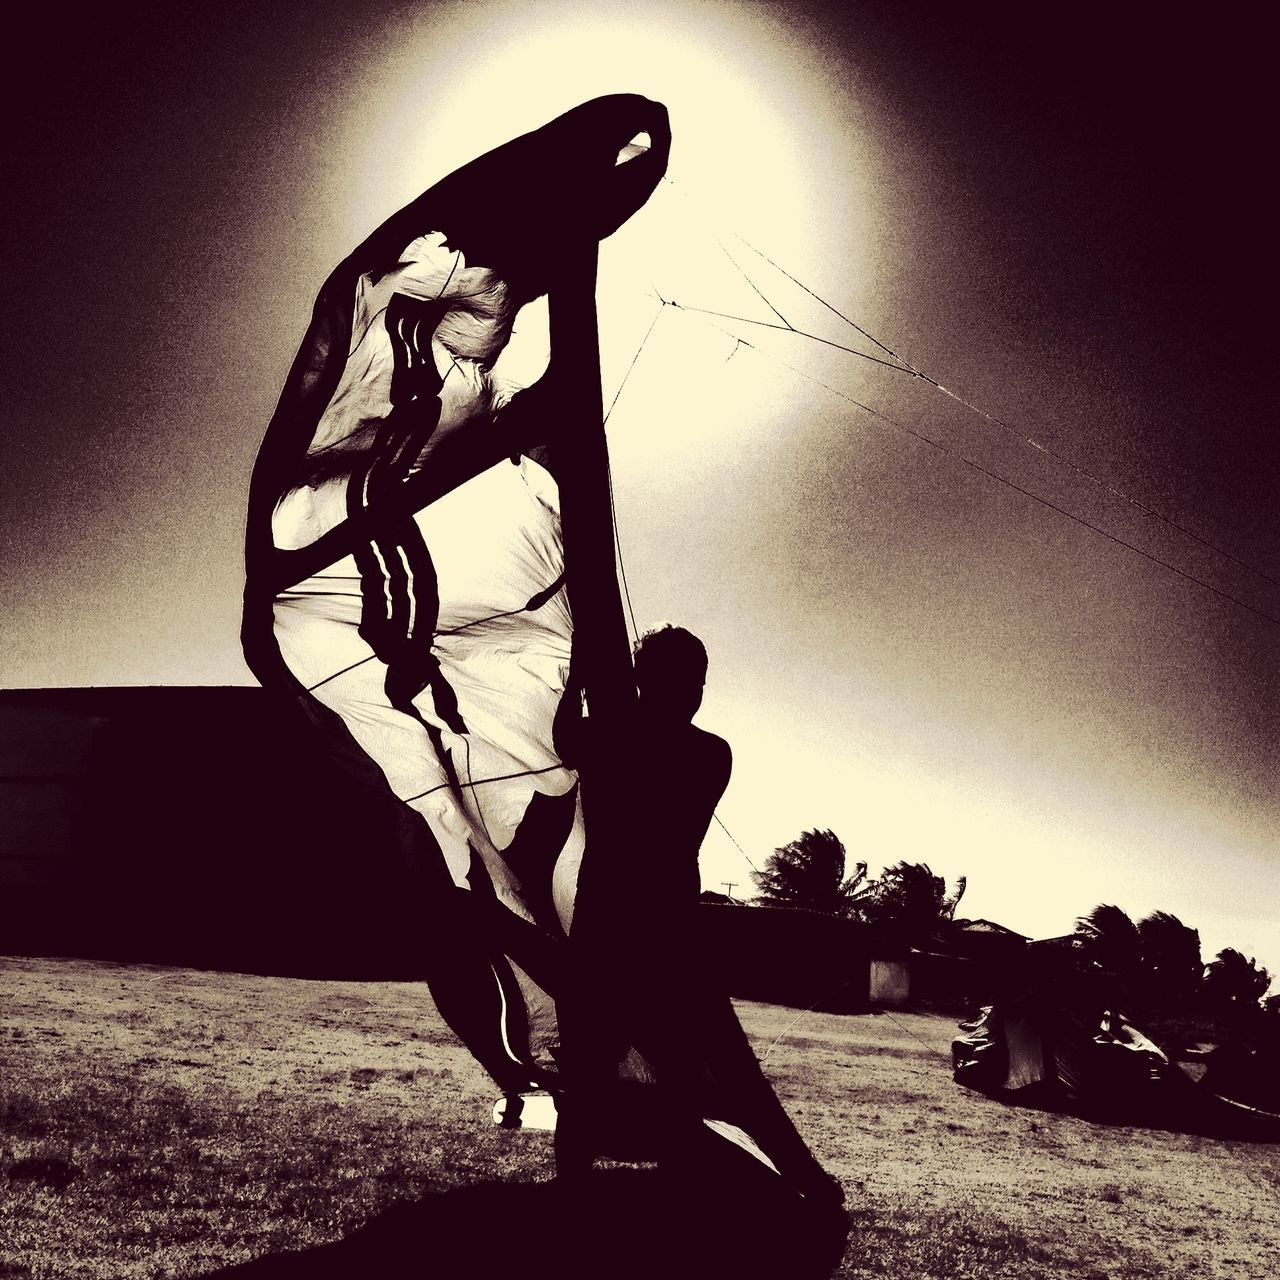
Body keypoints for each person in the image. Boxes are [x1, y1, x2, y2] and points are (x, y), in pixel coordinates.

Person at [554, 626, 843, 1213]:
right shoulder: (694, 749)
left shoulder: (667, 745)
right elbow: (584, 742)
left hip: (628, 931)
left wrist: (581, 680)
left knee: (629, 1071)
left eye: (699, 680)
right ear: (651, 682)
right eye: (685, 678)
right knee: (626, 1070)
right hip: (655, 933)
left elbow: (570, 739)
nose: (695, 691)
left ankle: (586, 1190)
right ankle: (801, 1181)